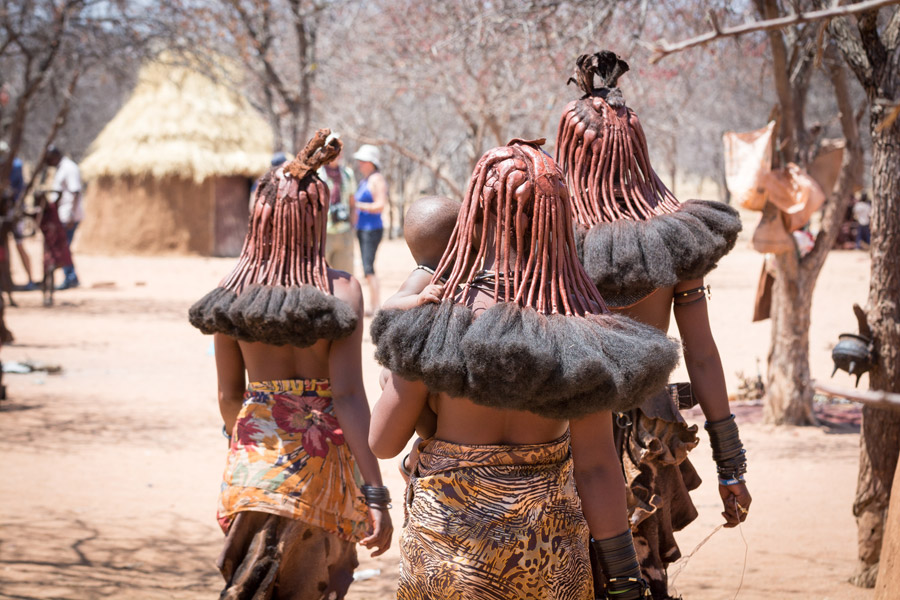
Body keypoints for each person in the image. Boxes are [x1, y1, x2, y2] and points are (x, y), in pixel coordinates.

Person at [370, 139, 681, 600]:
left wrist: (394, 380)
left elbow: (382, 441)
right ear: (558, 219)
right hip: (547, 556)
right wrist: (622, 578)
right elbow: (597, 467)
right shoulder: (579, 328)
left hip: (449, 555)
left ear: (472, 215)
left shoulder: (435, 316)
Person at [555, 51, 751, 600]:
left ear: (567, 152)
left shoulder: (548, 238)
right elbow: (703, 354)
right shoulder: (675, 238)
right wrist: (730, 465)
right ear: (637, 153)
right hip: (647, 443)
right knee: (640, 584)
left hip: (559, 437)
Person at [188, 130, 392, 599]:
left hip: (254, 468)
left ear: (258, 219)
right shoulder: (343, 291)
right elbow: (347, 396)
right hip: (323, 472)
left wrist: (242, 438)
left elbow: (228, 396)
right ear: (318, 218)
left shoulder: (232, 293)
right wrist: (374, 492)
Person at [351, 144, 386, 315]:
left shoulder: (376, 179)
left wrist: (357, 205)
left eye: (363, 161)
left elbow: (380, 205)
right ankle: (372, 305)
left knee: (368, 268)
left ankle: (376, 306)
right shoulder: (364, 180)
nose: (360, 164)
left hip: (372, 229)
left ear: (371, 162)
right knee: (366, 268)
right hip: (362, 228)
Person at [317, 136, 356, 274]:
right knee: (320, 275)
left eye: (337, 149)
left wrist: (351, 228)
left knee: (345, 276)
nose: (335, 153)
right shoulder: (318, 174)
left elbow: (352, 203)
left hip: (344, 231)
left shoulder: (347, 174)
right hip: (323, 233)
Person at [46, 146, 82, 289]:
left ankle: (71, 278)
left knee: (63, 246)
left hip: (69, 215)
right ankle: (71, 276)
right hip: (63, 214)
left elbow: (75, 192)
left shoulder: (69, 168)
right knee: (63, 246)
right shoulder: (62, 168)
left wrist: (71, 215)